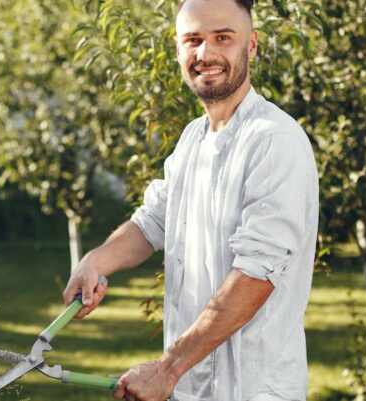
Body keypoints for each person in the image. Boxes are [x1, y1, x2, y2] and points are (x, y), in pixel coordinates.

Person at [62, 0, 319, 400]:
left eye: (222, 38)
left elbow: (257, 275)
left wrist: (166, 369)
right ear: (178, 50)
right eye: (193, 40)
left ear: (251, 46)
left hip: (253, 391)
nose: (206, 53)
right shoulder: (192, 139)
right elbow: (152, 222)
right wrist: (96, 261)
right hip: (190, 388)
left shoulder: (274, 140)